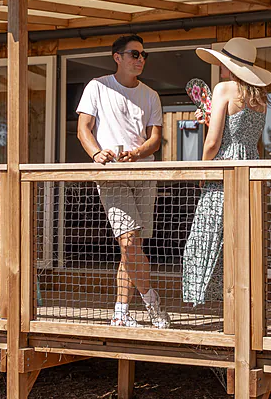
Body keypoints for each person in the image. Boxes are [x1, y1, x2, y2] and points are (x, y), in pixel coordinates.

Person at [76, 34, 171, 328]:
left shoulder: (151, 95)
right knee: (129, 241)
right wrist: (97, 154)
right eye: (134, 54)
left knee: (132, 248)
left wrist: (137, 152)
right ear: (117, 57)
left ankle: (120, 312)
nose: (140, 59)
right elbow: (84, 129)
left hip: (144, 173)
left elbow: (155, 140)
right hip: (113, 175)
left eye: (144, 55)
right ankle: (152, 302)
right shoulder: (98, 87)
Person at [182, 37, 271, 305]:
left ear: (229, 66)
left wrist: (203, 171)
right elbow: (245, 136)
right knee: (240, 238)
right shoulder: (260, 96)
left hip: (225, 169)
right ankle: (243, 302)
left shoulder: (224, 89)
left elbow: (213, 143)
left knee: (206, 237)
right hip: (251, 166)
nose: (220, 69)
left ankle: (207, 297)